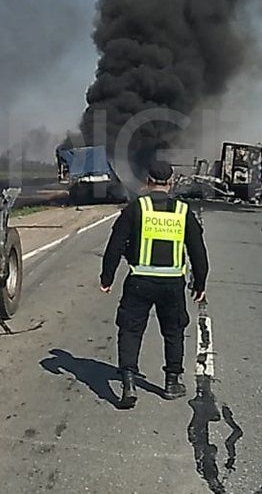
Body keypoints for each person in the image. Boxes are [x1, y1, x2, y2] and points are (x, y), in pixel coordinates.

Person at [100, 159, 210, 409]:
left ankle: (128, 382)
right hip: (172, 285)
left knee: (130, 329)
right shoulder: (183, 212)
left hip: (139, 281)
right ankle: (172, 382)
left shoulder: (136, 208)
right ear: (170, 183)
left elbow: (115, 245)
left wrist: (107, 278)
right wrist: (200, 282)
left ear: (148, 181)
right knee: (173, 331)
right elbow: (198, 252)